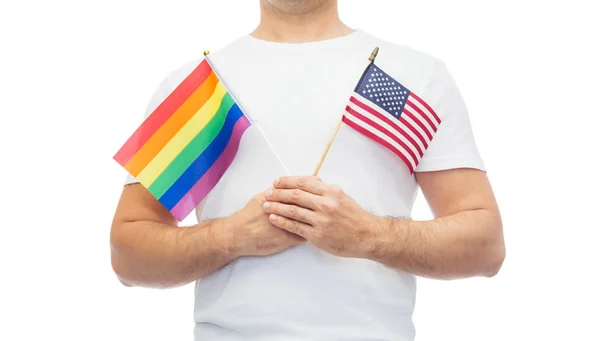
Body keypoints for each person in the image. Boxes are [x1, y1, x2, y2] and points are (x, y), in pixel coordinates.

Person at [110, 0, 506, 340]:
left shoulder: (417, 75)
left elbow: (485, 244)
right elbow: (127, 253)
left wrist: (366, 234)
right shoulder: (199, 85)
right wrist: (230, 236)